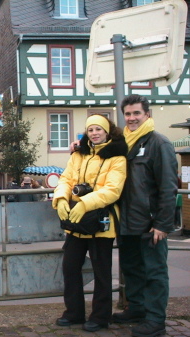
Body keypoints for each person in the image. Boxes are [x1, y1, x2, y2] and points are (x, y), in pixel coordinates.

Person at [53, 114, 127, 332]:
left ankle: (100, 317)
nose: (94, 133)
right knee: (70, 267)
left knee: (101, 272)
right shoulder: (79, 154)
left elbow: (113, 190)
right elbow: (66, 179)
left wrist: (85, 203)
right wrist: (60, 198)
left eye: (98, 129)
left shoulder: (117, 157)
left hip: (101, 220)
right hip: (78, 220)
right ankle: (74, 313)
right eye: (91, 129)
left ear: (107, 131)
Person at [112, 94, 178, 337]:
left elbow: (168, 187)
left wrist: (162, 224)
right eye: (128, 114)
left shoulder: (158, 143)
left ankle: (156, 320)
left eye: (136, 113)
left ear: (147, 115)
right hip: (127, 221)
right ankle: (137, 309)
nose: (131, 118)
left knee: (155, 272)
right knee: (132, 269)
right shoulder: (123, 144)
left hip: (150, 224)